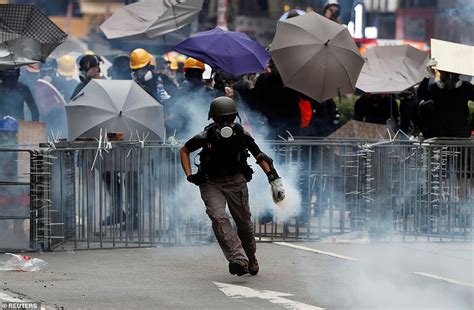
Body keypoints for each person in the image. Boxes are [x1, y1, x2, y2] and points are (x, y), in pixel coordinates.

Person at [180, 96, 285, 276]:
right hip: (211, 182)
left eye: (228, 118)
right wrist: (189, 175)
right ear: (213, 119)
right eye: (220, 119)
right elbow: (184, 150)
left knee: (244, 223)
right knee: (218, 217)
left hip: (236, 181)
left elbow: (260, 157)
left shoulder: (242, 135)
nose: (224, 123)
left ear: (234, 118)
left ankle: (250, 257)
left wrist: (274, 179)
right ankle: (238, 258)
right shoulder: (207, 136)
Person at [418, 60, 473, 138]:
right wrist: (427, 76)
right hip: (440, 136)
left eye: (452, 74)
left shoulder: (466, 87)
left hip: (461, 136)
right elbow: (421, 95)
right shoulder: (434, 88)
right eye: (445, 73)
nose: (449, 77)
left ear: (458, 74)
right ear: (440, 73)